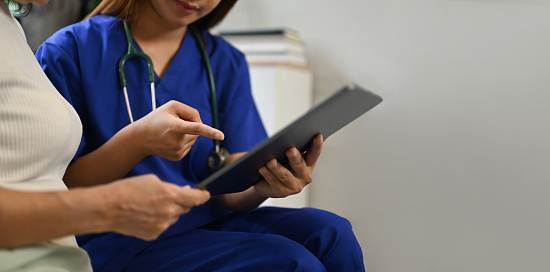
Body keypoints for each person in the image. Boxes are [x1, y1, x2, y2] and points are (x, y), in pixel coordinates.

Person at [35, 0, 366, 271]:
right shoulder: (70, 51)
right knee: (292, 263)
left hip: (203, 220)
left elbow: (228, 191)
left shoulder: (223, 61)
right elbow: (54, 187)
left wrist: (263, 185)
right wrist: (137, 142)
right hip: (121, 236)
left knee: (333, 233)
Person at [0, 0, 219, 271]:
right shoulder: (69, 48)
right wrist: (107, 206)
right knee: (281, 254)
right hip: (95, 244)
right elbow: (65, 179)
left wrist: (260, 183)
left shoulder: (10, 29)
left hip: (63, 254)